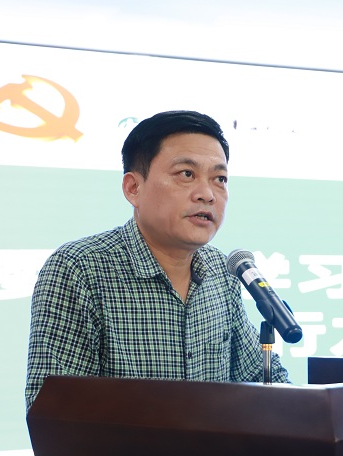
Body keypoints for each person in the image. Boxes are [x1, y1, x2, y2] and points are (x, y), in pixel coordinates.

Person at [25, 110, 290, 410]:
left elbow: (261, 378)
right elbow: (56, 412)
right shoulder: (79, 270)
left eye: (219, 179)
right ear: (133, 188)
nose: (207, 194)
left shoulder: (222, 271)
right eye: (186, 174)